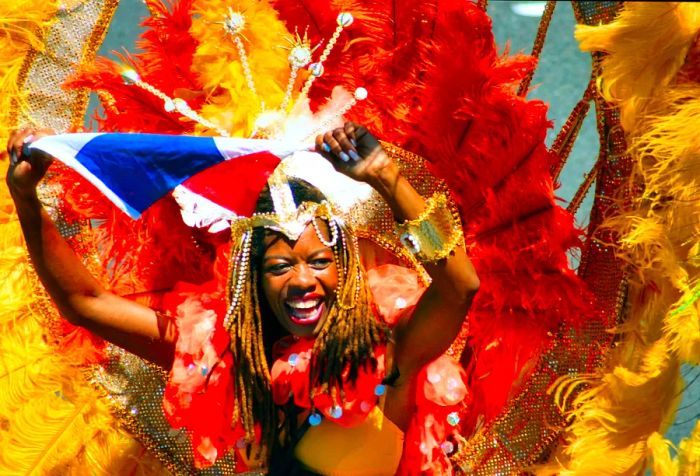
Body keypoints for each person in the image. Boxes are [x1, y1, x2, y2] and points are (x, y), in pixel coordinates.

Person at [5, 121, 479, 473]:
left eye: (318, 262)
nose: (301, 281)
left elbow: (459, 285)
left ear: (346, 271)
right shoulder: (226, 359)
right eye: (279, 267)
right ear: (253, 281)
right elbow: (84, 303)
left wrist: (385, 177)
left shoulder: (390, 356)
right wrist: (27, 199)